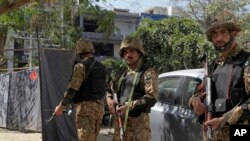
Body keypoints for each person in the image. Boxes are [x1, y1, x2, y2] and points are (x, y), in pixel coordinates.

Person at [189, 9, 250, 141]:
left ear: (234, 33)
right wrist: (195, 100)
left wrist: (225, 119)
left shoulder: (246, 62)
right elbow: (199, 90)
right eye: (214, 34)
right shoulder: (214, 65)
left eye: (223, 32)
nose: (218, 38)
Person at [106, 36, 158, 141]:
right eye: (125, 52)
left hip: (138, 128)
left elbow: (151, 98)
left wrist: (129, 106)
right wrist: (109, 99)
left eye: (131, 51)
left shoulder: (147, 73)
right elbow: (110, 88)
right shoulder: (122, 73)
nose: (128, 55)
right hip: (120, 126)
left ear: (139, 53)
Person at [54, 39, 107, 141]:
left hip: (85, 109)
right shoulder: (102, 67)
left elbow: (73, 89)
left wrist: (61, 106)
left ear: (79, 52)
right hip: (99, 108)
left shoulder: (80, 66)